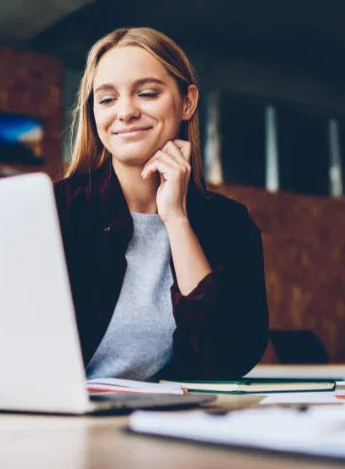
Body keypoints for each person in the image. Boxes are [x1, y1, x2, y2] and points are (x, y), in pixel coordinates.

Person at [53, 27, 269, 381]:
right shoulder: (57, 211)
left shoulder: (228, 223)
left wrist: (176, 219)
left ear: (187, 102)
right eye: (107, 99)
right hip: (57, 424)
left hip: (165, 424)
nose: (125, 112)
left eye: (148, 93)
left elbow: (225, 358)